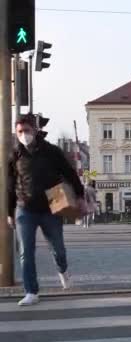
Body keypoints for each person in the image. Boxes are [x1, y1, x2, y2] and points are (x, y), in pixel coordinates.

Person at [8, 114, 85, 306]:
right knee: (26, 251)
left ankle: (63, 270)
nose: (23, 135)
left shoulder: (51, 151)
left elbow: (69, 173)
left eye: (26, 131)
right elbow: (9, 185)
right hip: (24, 208)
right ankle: (31, 292)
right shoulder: (15, 153)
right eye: (20, 132)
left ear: (34, 130)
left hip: (52, 207)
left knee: (58, 248)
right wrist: (10, 212)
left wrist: (80, 195)